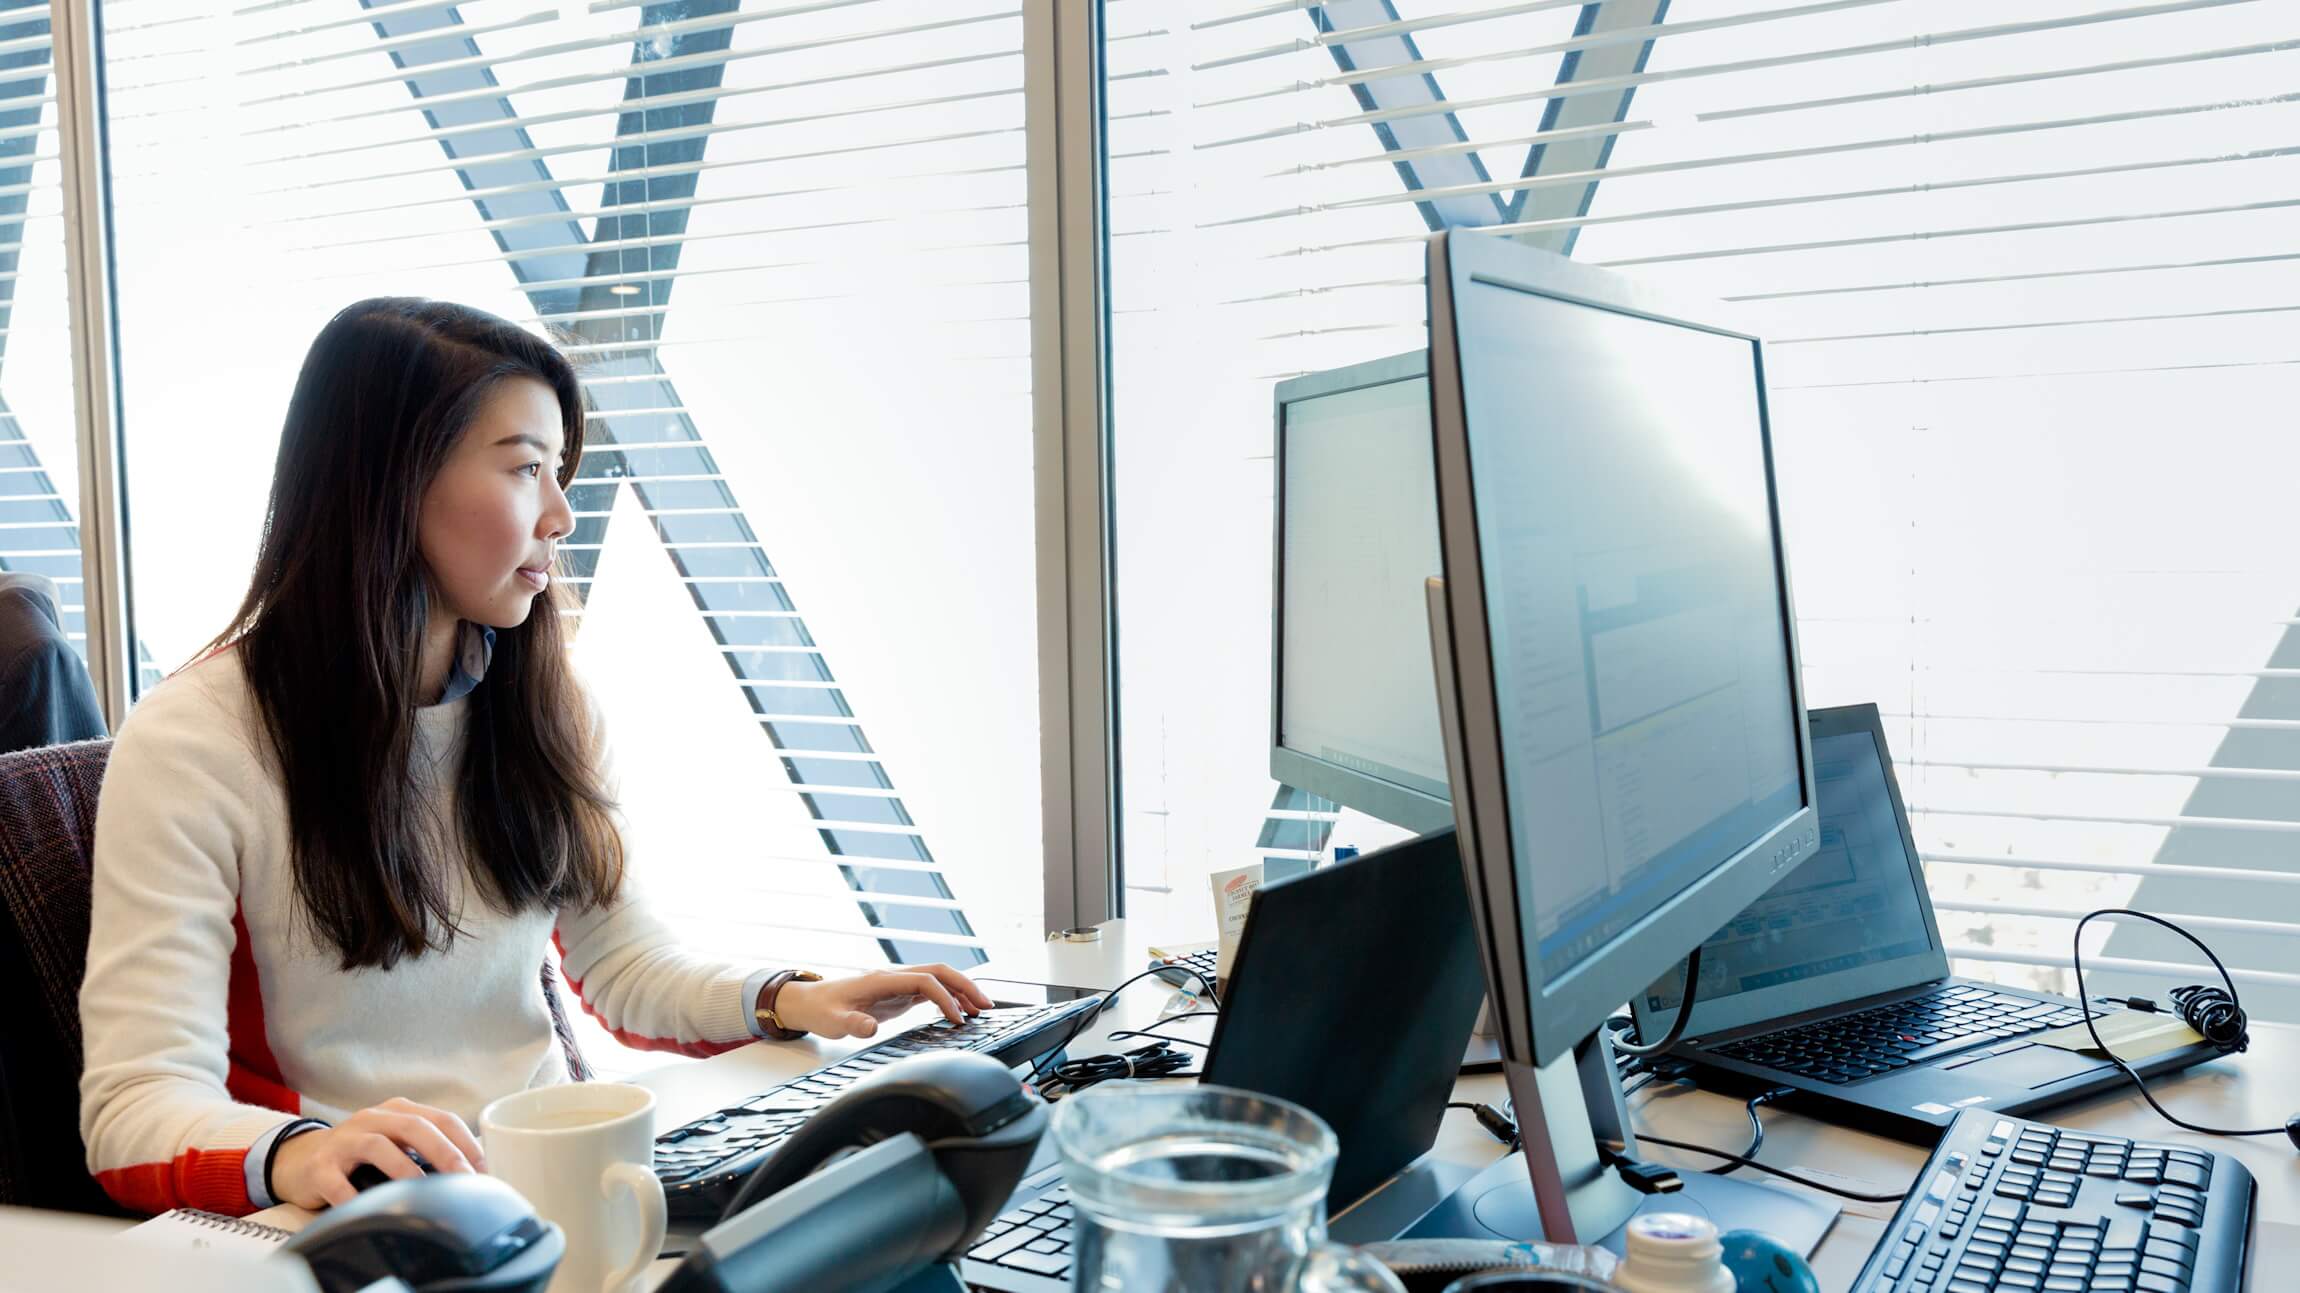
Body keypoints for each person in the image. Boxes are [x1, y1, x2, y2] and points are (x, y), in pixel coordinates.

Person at [77, 299, 994, 1216]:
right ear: (390, 481)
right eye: (525, 469)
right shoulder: (197, 740)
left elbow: (625, 967)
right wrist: (300, 1151)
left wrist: (794, 998)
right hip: (359, 1217)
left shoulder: (542, 704)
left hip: (551, 1187)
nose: (560, 513)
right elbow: (133, 1107)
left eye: (560, 472)